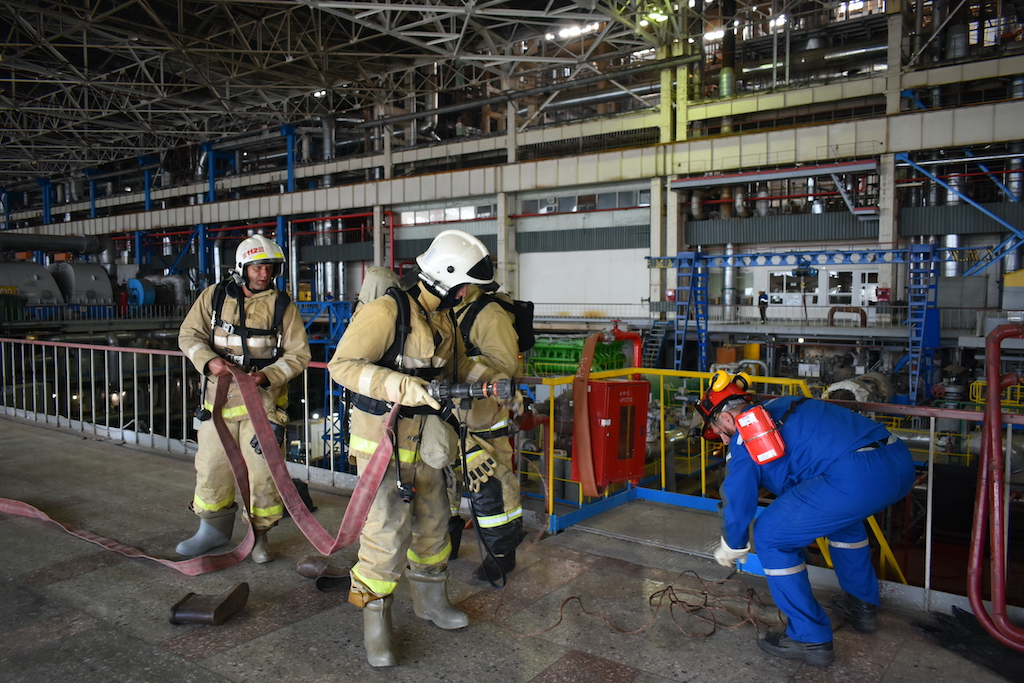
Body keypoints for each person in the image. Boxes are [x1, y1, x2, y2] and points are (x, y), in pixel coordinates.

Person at [327, 230, 500, 667]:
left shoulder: (444, 320)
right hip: (384, 448)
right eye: (464, 286)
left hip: (431, 449)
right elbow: (342, 366)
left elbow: (456, 372)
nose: (467, 295)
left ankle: (431, 603)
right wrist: (400, 385)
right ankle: (376, 625)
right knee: (385, 534)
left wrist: (493, 385)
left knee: (434, 527)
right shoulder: (387, 311)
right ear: (444, 279)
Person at [696, 371, 915, 667]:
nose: (723, 439)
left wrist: (733, 544)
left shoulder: (749, 429)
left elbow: (738, 495)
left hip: (854, 476)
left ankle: (809, 638)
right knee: (843, 523)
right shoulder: (785, 403)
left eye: (719, 429)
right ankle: (861, 605)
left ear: (727, 416)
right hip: (898, 462)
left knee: (771, 537)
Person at [177, 234, 311, 564]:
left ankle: (258, 535)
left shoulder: (283, 307)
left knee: (263, 475)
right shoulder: (214, 298)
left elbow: (299, 354)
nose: (264, 274)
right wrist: (209, 361)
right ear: (243, 267)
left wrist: (267, 376)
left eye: (269, 268)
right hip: (217, 405)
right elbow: (189, 335)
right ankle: (212, 531)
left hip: (262, 407)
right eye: (257, 267)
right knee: (211, 469)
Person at [453, 283, 524, 582]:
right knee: (445, 489)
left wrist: (466, 367)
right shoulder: (450, 309)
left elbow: (505, 371)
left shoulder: (489, 315)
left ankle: (501, 556)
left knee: (492, 493)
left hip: (484, 424)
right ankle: (446, 546)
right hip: (450, 421)